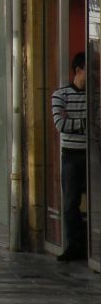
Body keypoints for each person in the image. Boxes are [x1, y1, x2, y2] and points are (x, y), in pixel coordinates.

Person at [52, 52, 88, 262]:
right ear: (78, 70)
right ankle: (75, 245)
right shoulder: (60, 95)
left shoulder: (96, 94)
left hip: (91, 153)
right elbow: (60, 125)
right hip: (71, 155)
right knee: (70, 202)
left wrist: (75, 123)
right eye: (89, 71)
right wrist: (85, 123)